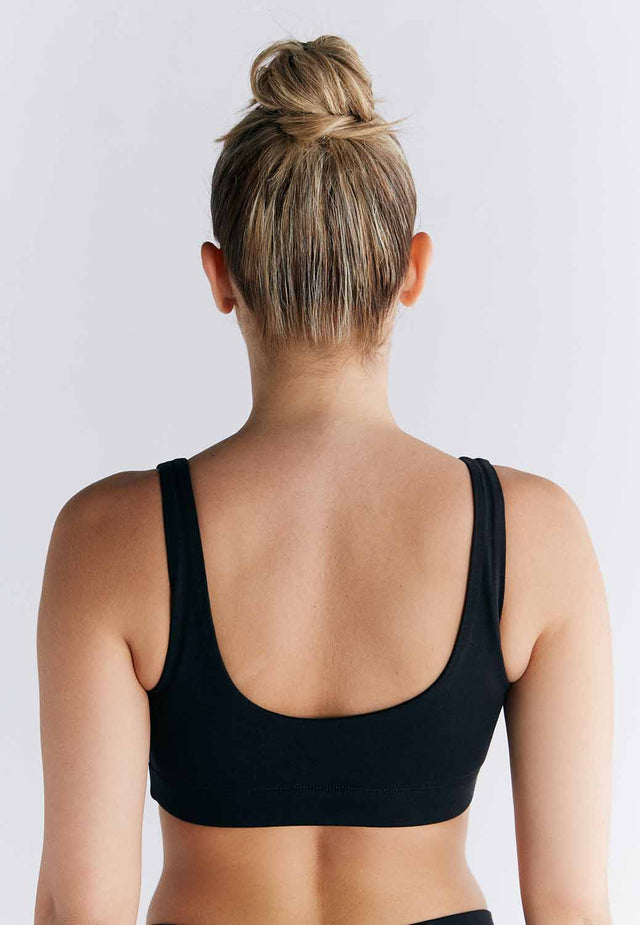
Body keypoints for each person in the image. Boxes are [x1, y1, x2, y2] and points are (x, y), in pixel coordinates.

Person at [34, 34, 613, 925]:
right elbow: (572, 906)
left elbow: (81, 909)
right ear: (412, 269)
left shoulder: (108, 539)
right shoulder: (534, 536)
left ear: (221, 277)